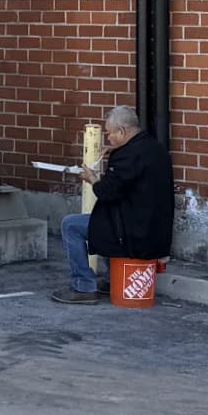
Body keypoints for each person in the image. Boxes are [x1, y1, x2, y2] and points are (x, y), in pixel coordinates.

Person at [59, 106, 174, 299]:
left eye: (110, 133)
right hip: (154, 232)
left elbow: (107, 193)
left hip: (132, 234)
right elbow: (129, 180)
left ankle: (84, 287)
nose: (108, 137)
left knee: (71, 225)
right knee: (106, 218)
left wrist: (92, 178)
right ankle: (113, 280)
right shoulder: (155, 148)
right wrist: (115, 152)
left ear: (121, 131)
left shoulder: (127, 156)